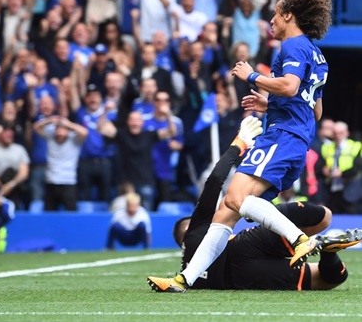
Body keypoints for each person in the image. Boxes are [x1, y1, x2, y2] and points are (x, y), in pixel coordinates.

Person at [148, 0, 332, 292]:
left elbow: (288, 85)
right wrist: (269, 102)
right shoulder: (317, 55)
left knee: (235, 198)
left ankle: (298, 238)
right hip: (293, 138)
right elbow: (315, 109)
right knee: (226, 211)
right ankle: (184, 279)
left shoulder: (293, 44)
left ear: (289, 15)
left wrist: (253, 76)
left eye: (275, 13)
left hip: (281, 137)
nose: (271, 20)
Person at [150, 116, 361, 291]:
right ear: (188, 227)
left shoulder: (190, 266)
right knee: (324, 216)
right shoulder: (197, 227)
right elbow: (214, 181)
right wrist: (238, 144)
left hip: (247, 278)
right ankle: (301, 239)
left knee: (328, 281)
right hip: (245, 245)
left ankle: (328, 252)